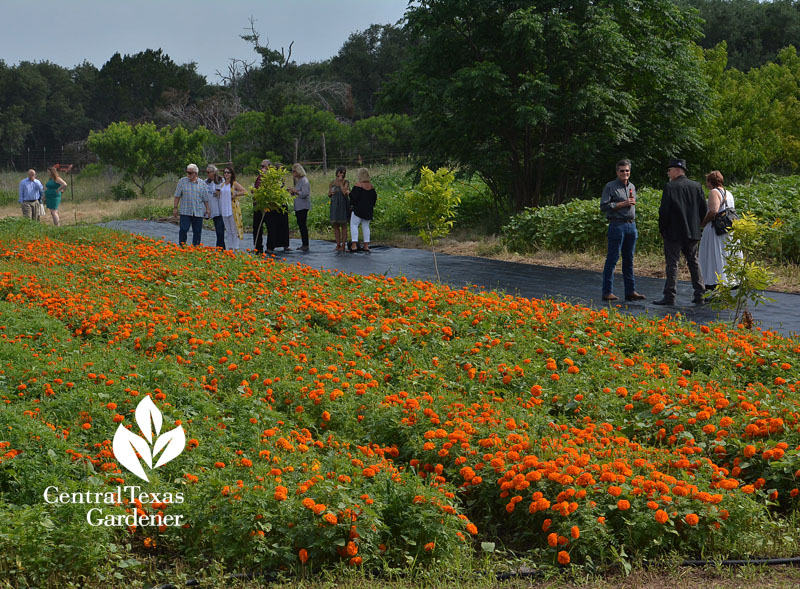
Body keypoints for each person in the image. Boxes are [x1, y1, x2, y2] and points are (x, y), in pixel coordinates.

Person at [654, 158, 707, 305]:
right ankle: (699, 294)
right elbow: (703, 209)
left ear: (677, 170)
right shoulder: (696, 186)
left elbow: (664, 211)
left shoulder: (670, 187)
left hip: (673, 232)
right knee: (694, 262)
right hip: (692, 231)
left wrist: (662, 229)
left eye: (669, 170)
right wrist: (698, 225)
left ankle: (670, 295)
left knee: (672, 264)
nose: (668, 173)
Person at [599, 159, 645, 302]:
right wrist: (622, 204)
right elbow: (604, 206)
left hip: (631, 225)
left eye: (627, 170)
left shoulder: (632, 186)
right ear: (617, 172)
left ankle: (630, 291)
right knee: (612, 259)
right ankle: (607, 292)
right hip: (617, 225)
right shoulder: (610, 187)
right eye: (622, 171)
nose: (625, 173)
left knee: (629, 259)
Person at [699, 170, 742, 292]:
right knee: (725, 254)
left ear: (709, 182)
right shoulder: (728, 193)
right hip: (728, 229)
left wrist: (703, 223)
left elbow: (713, 210)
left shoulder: (714, 192)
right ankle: (728, 280)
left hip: (716, 230)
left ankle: (714, 283)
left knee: (713, 255)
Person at [173, 163, 211, 246]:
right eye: (187, 172)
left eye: (190, 173)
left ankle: (195, 248)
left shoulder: (202, 183)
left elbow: (205, 198)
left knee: (197, 231)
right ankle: (182, 246)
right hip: (185, 211)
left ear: (195, 173)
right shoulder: (182, 181)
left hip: (198, 211)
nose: (188, 175)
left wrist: (208, 209)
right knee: (183, 229)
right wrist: (175, 208)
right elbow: (177, 196)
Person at [349, 168, 377, 252]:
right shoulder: (371, 186)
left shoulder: (358, 185)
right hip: (368, 210)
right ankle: (366, 245)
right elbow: (374, 198)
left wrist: (348, 193)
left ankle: (354, 245)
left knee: (354, 225)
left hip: (358, 210)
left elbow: (354, 197)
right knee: (365, 226)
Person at [220, 166, 247, 251]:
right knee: (228, 230)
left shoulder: (234, 183)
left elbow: (244, 191)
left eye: (228, 172)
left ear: (231, 174)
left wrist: (236, 194)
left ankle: (236, 247)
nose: (226, 174)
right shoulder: (223, 184)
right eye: (225, 172)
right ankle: (230, 247)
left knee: (234, 229)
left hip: (232, 209)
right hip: (224, 208)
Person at [288, 163, 311, 251]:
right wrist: (293, 192)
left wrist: (295, 191)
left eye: (294, 171)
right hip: (299, 206)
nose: (293, 173)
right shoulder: (299, 181)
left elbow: (305, 193)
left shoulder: (304, 181)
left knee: (302, 225)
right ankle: (304, 244)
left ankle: (305, 244)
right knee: (301, 224)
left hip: (303, 206)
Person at [328, 166, 351, 251]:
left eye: (344, 172)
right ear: (337, 172)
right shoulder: (332, 183)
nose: (342, 174)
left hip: (343, 204)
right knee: (335, 225)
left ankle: (343, 245)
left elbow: (345, 192)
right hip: (334, 204)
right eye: (341, 172)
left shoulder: (346, 182)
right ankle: (338, 244)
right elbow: (329, 194)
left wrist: (341, 182)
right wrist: (330, 193)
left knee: (343, 225)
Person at [252, 159, 271, 254]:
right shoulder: (259, 177)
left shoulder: (270, 178)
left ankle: (270, 247)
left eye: (263, 166)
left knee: (269, 227)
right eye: (261, 166)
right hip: (258, 205)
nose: (261, 168)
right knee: (256, 228)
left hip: (267, 206)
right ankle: (257, 247)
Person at [205, 165, 224, 248]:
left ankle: (220, 249)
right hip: (213, 210)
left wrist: (220, 192)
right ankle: (221, 249)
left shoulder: (221, 180)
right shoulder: (206, 182)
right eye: (206, 172)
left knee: (220, 231)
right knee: (217, 231)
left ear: (214, 172)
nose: (207, 174)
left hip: (221, 209)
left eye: (208, 172)